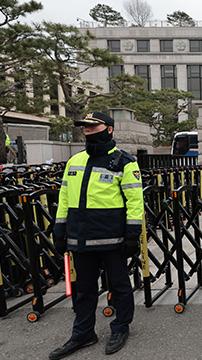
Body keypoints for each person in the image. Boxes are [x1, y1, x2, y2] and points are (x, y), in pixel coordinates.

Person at [50, 112, 143, 359]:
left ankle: (121, 327)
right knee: (84, 289)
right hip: (79, 238)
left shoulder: (124, 161)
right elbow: (64, 199)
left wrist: (133, 235)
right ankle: (82, 333)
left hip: (112, 239)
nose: (88, 131)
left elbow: (135, 202)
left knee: (120, 286)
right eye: (85, 128)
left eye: (94, 126)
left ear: (109, 129)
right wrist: (59, 230)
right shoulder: (75, 161)